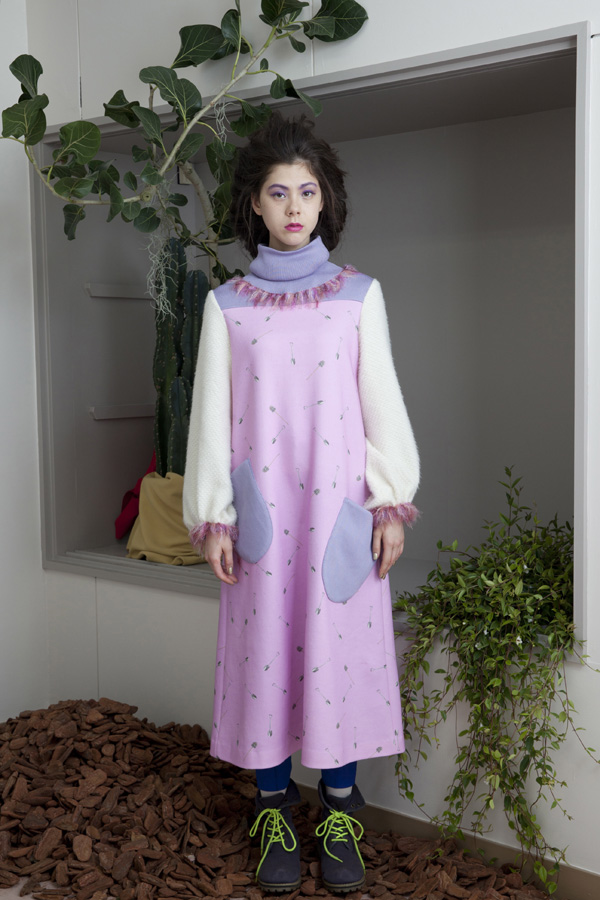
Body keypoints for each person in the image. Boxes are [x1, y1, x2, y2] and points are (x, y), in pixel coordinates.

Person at [183, 112, 420, 894]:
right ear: (254, 203)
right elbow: (210, 417)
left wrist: (389, 502)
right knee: (266, 664)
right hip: (263, 520)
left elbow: (382, 402)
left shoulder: (358, 297)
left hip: (337, 520)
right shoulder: (227, 305)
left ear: (326, 201)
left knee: (337, 661)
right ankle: (274, 812)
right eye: (278, 192)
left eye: (307, 191)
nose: (293, 206)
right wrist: (213, 515)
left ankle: (341, 813)